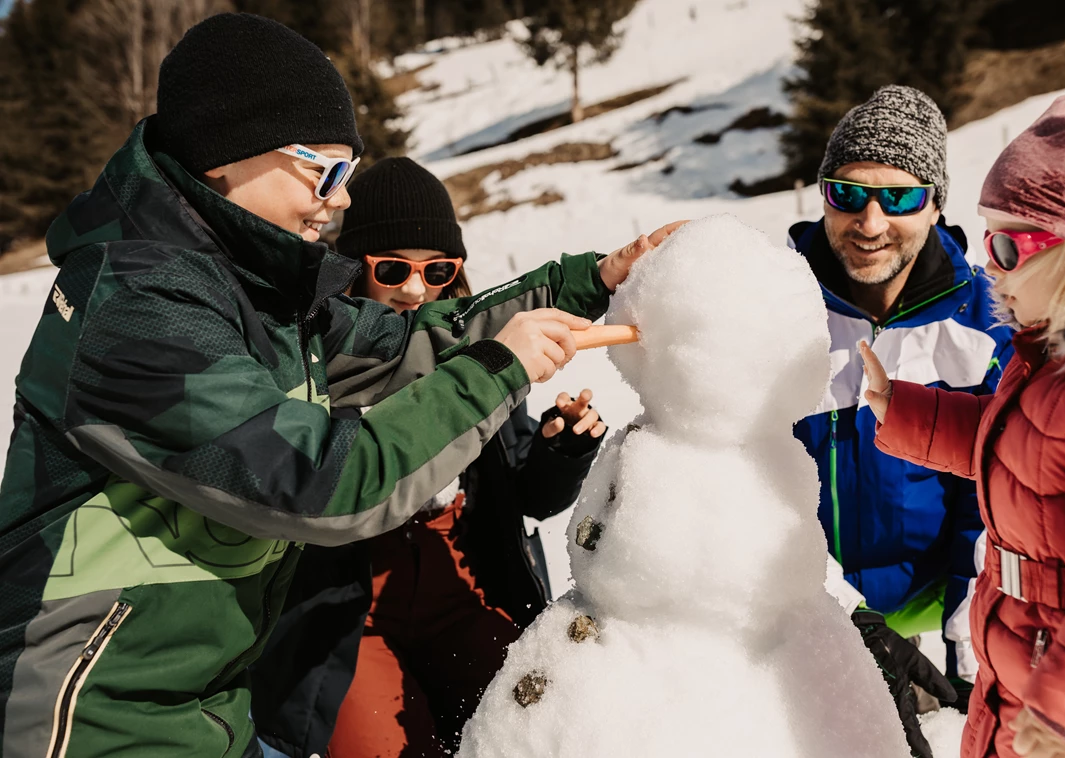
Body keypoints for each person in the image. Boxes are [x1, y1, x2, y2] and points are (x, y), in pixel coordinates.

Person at [0, 14, 681, 757]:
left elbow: (410, 341)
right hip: (97, 709)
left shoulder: (256, 294)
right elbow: (323, 482)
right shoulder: (140, 306)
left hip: (205, 705)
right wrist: (501, 368)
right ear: (226, 156)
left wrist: (588, 280)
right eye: (326, 170)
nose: (343, 199)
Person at [251, 158, 607, 758]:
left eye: (438, 270)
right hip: (347, 613)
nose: (416, 289)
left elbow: (530, 496)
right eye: (392, 268)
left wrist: (560, 447)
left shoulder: (479, 349)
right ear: (350, 269)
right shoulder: (311, 354)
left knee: (533, 733)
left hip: (460, 582)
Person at [864, 82, 1065, 758]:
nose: (990, 261)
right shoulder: (1055, 358)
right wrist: (903, 410)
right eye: (989, 238)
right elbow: (1020, 449)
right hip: (1022, 667)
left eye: (1012, 246)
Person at [787, 85, 1015, 755]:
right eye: (848, 194)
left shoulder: (986, 323)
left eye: (900, 197)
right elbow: (740, 470)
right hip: (805, 608)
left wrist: (970, 625)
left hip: (941, 610)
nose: (869, 222)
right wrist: (833, 609)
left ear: (936, 201)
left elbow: (997, 486)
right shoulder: (775, 309)